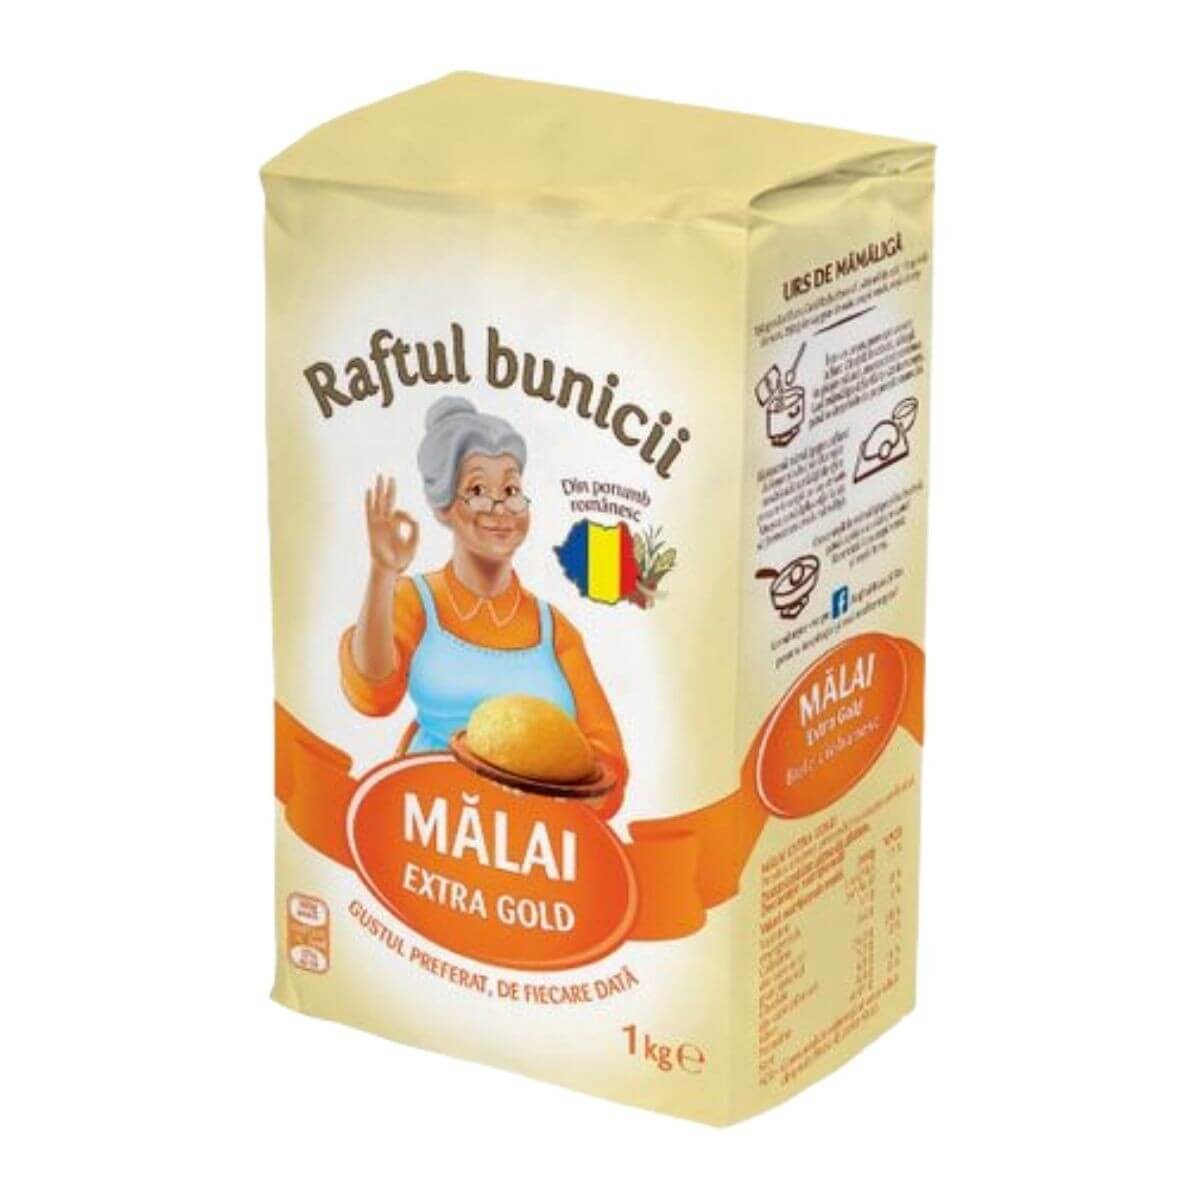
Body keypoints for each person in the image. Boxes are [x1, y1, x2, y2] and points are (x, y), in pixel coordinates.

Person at [340, 396, 628, 818]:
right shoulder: (415, 599)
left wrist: (564, 798)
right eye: (477, 490)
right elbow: (373, 693)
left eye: (511, 490)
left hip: (533, 835)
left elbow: (606, 759)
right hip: (430, 821)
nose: (500, 508)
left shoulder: (553, 629)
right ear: (444, 507)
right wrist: (383, 572)